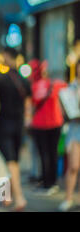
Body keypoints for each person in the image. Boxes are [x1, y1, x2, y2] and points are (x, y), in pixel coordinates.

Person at [0, 47, 32, 211]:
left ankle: (18, 197)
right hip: (19, 125)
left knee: (8, 162)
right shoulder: (24, 80)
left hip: (3, 125)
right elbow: (28, 103)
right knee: (11, 160)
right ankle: (5, 197)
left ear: (7, 57)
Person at [29, 59, 67, 196]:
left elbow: (32, 104)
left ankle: (47, 184)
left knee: (44, 154)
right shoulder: (55, 84)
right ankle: (52, 183)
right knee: (53, 154)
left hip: (40, 125)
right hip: (56, 124)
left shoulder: (34, 86)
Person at [59, 59, 80, 211]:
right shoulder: (71, 87)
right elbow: (65, 111)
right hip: (75, 129)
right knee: (73, 165)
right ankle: (68, 198)